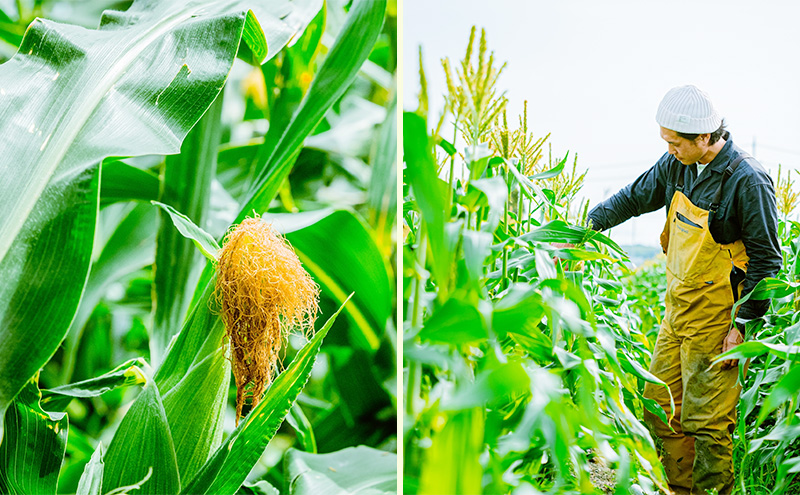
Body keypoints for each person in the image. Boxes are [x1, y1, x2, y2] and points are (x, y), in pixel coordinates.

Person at [587, 85, 782, 495]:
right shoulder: (677, 164)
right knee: (660, 406)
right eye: (666, 142)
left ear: (704, 138)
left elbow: (768, 263)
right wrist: (587, 226)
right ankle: (678, 489)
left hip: (717, 320)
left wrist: (743, 325)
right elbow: (635, 196)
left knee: (707, 421)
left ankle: (711, 491)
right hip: (676, 313)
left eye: (675, 143)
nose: (669, 150)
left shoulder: (748, 181)